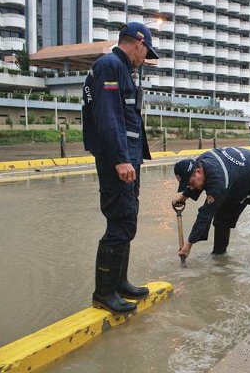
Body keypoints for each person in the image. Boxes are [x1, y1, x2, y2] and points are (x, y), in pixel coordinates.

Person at [82, 22, 159, 314]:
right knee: (120, 221)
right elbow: (109, 116)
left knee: (128, 219)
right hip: (119, 161)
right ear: (137, 43)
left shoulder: (121, 69)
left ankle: (119, 282)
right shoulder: (111, 66)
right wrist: (121, 159)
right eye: (146, 52)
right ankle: (103, 293)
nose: (145, 58)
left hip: (127, 158)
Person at [172, 147, 250, 265]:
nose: (191, 187)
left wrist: (188, 245)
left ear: (198, 171)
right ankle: (219, 257)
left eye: (190, 184)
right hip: (237, 181)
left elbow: (205, 215)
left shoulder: (218, 179)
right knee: (221, 219)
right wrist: (184, 196)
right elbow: (198, 183)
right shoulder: (200, 163)